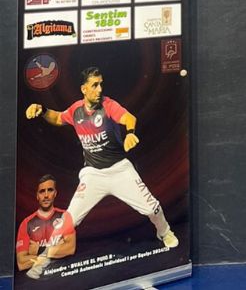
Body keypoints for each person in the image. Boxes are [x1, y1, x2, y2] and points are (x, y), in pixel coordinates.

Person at [25, 66, 179, 249]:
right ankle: (45, 255)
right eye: (94, 85)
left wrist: (130, 133)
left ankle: (165, 232)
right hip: (93, 175)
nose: (99, 89)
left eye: (101, 84)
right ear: (84, 89)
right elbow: (58, 118)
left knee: (152, 208)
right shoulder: (76, 110)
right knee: (68, 220)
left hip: (119, 170)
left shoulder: (108, 105)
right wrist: (42, 109)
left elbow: (129, 118)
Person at [16, 175, 76, 279]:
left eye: (50, 190)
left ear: (55, 193)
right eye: (42, 191)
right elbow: (21, 262)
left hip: (62, 275)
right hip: (36, 280)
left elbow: (70, 248)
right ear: (37, 196)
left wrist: (39, 250)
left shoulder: (64, 216)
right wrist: (57, 249)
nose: (46, 195)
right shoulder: (26, 223)